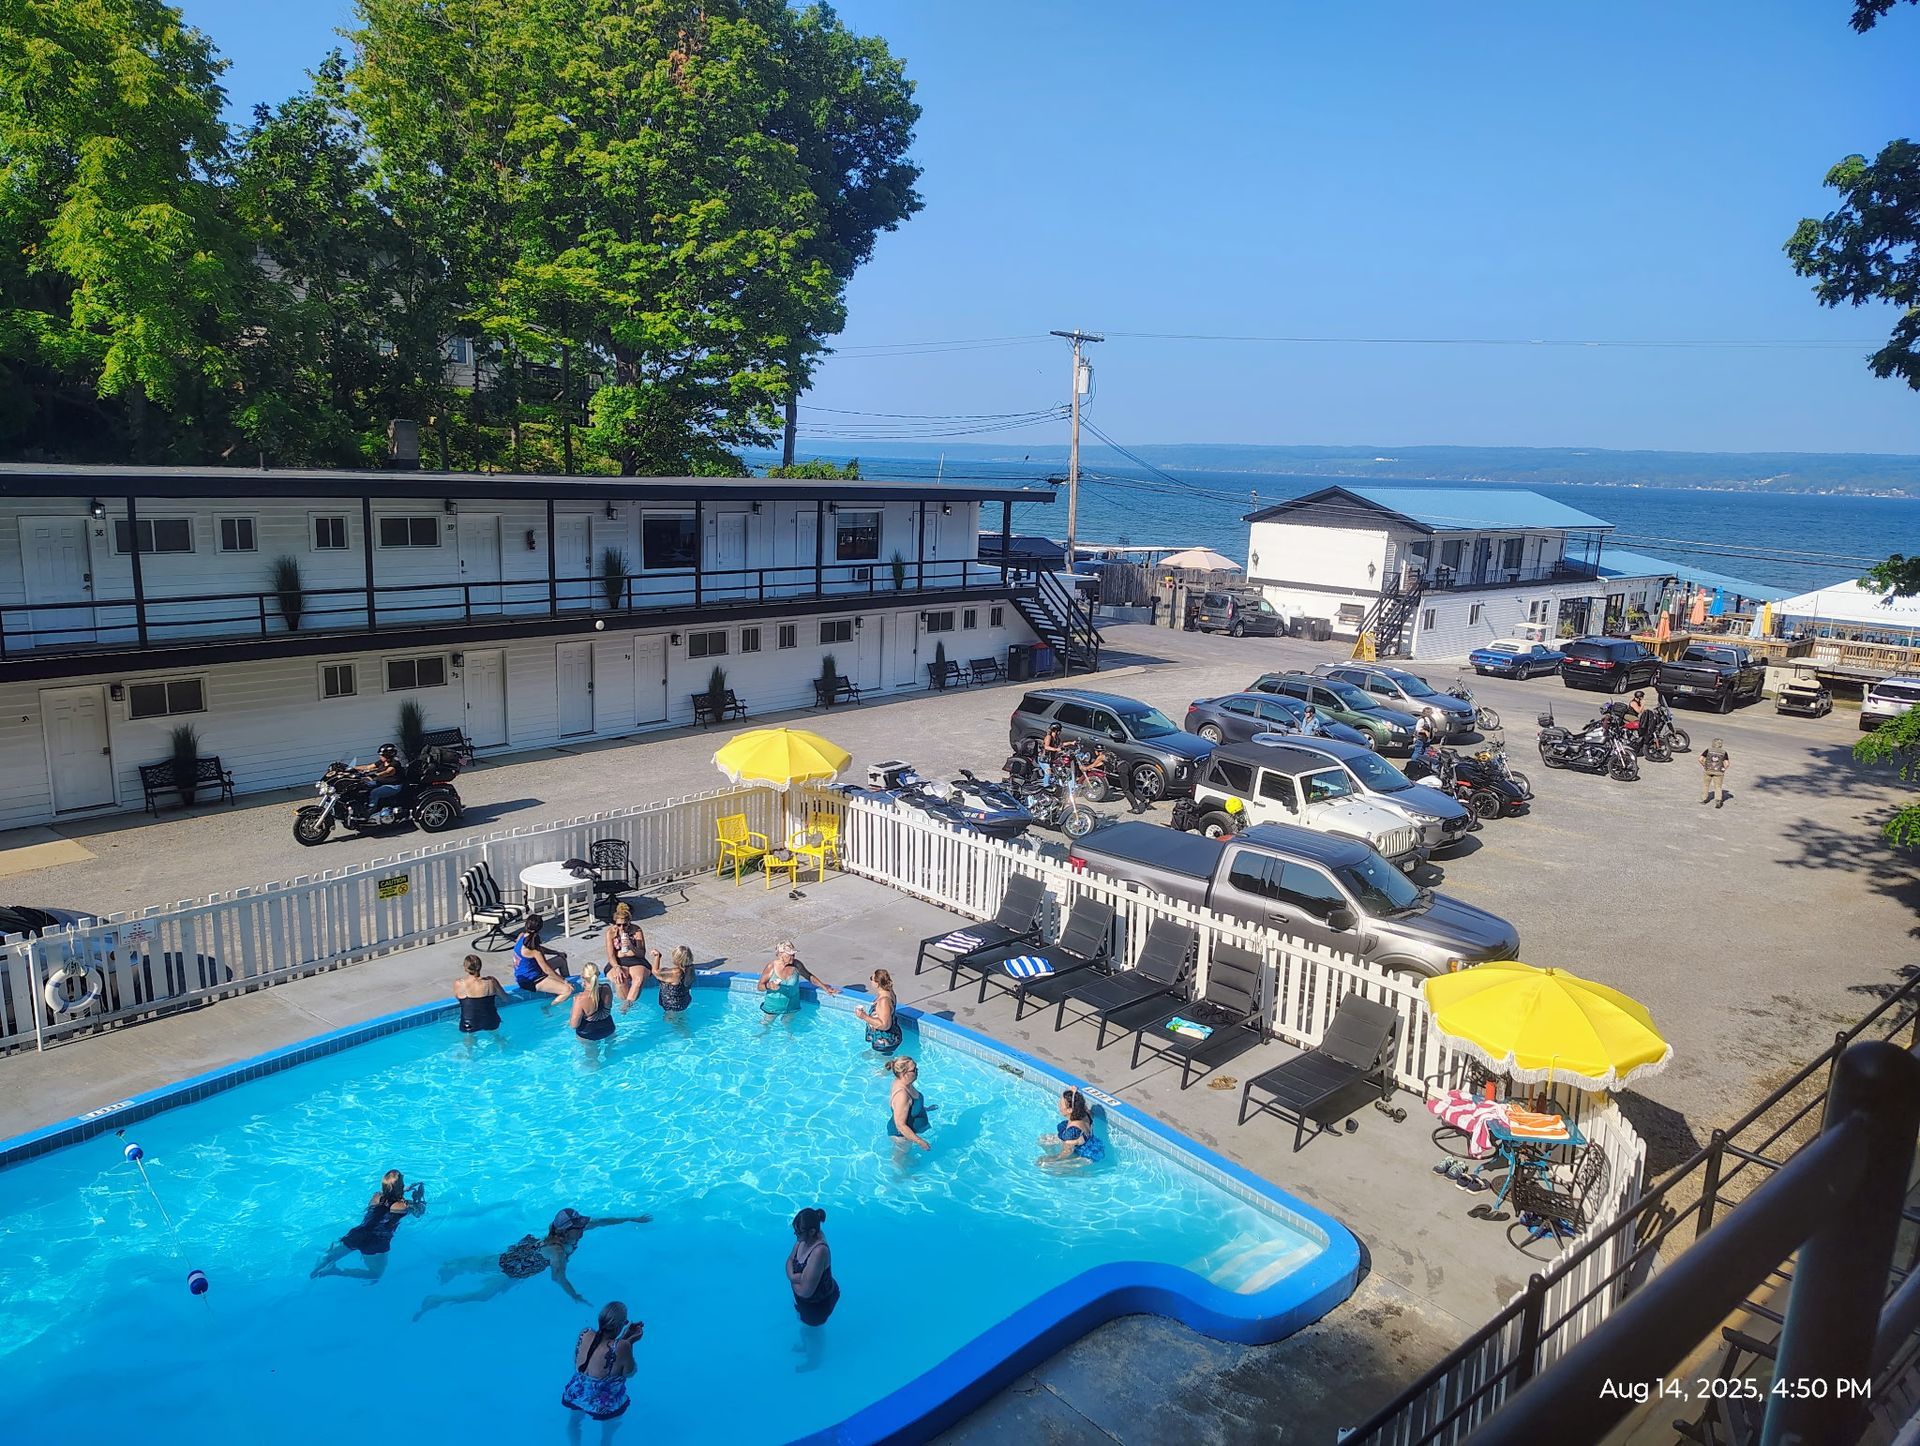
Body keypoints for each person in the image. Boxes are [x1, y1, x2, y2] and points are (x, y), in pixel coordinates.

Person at [415, 1208, 650, 1317]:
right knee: (484, 1294)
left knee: (486, 1262)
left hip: (524, 1250)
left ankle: (451, 1265)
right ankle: (437, 1299)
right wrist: (574, 1295)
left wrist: (631, 1218)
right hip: (518, 1268)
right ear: (569, 1231)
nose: (584, 1228)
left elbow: (602, 1221)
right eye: (579, 1226)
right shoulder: (557, 1251)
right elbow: (557, 1276)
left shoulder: (565, 1234)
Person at [311, 1170, 425, 1280]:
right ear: (400, 1186)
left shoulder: (376, 1197)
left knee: (328, 1257)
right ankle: (336, 1271)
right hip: (377, 1241)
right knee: (375, 1274)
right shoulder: (404, 1206)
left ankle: (315, 1270)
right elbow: (419, 1213)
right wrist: (418, 1198)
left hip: (358, 1234)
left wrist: (403, 1189)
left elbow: (389, 1196)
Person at [559, 1300, 642, 1435]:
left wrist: (623, 1339)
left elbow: (579, 1359)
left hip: (576, 1393)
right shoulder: (623, 1347)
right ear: (620, 1325)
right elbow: (630, 1372)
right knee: (607, 1436)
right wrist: (629, 1342)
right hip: (603, 1404)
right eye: (625, 1321)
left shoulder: (584, 1333)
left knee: (573, 1425)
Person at [786, 1207, 840, 1372]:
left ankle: (814, 1360)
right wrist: (795, 1278)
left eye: (799, 1233)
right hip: (807, 1302)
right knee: (807, 1328)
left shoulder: (819, 1251)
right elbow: (789, 1261)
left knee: (813, 1332)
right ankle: (808, 1347)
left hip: (817, 1304)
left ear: (811, 1231)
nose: (796, 1236)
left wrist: (792, 1278)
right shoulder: (804, 1239)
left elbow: (805, 1291)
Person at [758, 940, 840, 1019]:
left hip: (792, 1005)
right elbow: (760, 987)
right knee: (766, 1025)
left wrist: (825, 987)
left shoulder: (796, 965)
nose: (793, 957)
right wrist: (769, 985)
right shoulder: (771, 966)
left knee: (789, 1027)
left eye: (793, 954)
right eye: (789, 955)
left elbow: (809, 976)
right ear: (780, 955)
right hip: (773, 1005)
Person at [1037, 1089, 1106, 1171]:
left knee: (1045, 1166)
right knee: (1044, 1138)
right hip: (1092, 1143)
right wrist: (1072, 1091)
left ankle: (1079, 1174)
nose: (1059, 1105)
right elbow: (1076, 1102)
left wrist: (1053, 1158)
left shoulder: (1071, 1132)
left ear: (1070, 1110)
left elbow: (1066, 1152)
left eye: (1061, 1104)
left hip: (1086, 1156)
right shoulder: (1085, 1113)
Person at [514, 914, 575, 1002]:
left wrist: (557, 953)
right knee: (567, 990)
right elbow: (547, 970)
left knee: (561, 960)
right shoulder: (534, 950)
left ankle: (560, 986)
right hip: (530, 981)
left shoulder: (521, 936)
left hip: (526, 974)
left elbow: (540, 949)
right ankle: (549, 1008)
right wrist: (564, 981)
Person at [602, 903, 649, 1008]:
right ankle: (627, 1005)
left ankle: (627, 1005)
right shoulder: (610, 932)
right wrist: (617, 967)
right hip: (618, 961)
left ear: (629, 922)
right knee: (619, 979)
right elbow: (610, 956)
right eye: (618, 924)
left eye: (625, 924)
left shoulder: (636, 930)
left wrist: (631, 946)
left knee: (638, 979)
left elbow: (642, 954)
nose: (621, 927)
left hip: (636, 960)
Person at [886, 1056, 931, 1152]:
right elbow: (900, 1125)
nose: (917, 1071)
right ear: (904, 1073)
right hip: (901, 1137)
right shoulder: (902, 1095)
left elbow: (910, 1106)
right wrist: (920, 1142)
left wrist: (924, 1108)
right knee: (900, 1161)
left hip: (906, 1134)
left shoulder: (905, 1083)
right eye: (913, 1070)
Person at [454, 954, 507, 1033]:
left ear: (465, 968)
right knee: (498, 1038)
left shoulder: (459, 984)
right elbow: (505, 998)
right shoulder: (491, 981)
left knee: (469, 1042)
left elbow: (459, 998)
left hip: (469, 1023)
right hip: (491, 1020)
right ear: (480, 967)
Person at [853, 969, 902, 1054]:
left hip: (884, 1043)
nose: (870, 980)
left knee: (881, 1065)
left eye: (871, 978)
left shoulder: (884, 1001)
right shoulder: (888, 991)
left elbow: (884, 1025)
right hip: (886, 1039)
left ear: (877, 983)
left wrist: (864, 1016)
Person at [570, 963, 616, 1043]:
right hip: (608, 1028)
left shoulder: (580, 999)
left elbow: (574, 1025)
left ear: (583, 977)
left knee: (592, 1055)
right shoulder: (607, 988)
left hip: (588, 1033)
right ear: (598, 974)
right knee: (612, 1053)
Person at [355, 743, 405, 817]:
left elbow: (388, 772)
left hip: (393, 786)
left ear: (388, 755)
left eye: (382, 755)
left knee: (375, 792)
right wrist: (352, 768)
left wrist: (375, 774)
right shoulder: (382, 762)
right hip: (380, 782)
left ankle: (370, 810)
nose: (380, 756)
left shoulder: (395, 763)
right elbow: (368, 767)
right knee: (362, 785)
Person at [652, 945, 693, 1015]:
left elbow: (655, 972)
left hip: (671, 1006)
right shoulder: (691, 969)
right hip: (684, 1002)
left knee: (669, 1023)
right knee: (681, 1023)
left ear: (676, 958)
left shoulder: (676, 973)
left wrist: (657, 956)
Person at [1701, 737, 1730, 809]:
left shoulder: (1708, 750)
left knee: (1706, 785)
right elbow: (1727, 764)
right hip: (1719, 771)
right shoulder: (1724, 752)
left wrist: (1704, 765)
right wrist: (1723, 769)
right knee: (1718, 787)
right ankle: (1718, 801)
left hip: (1708, 770)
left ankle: (1704, 799)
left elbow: (1700, 759)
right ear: (1721, 745)